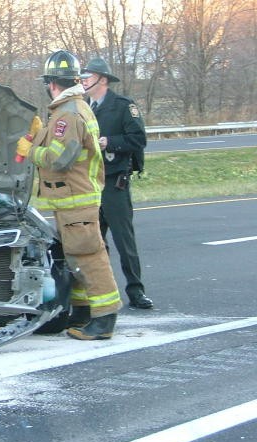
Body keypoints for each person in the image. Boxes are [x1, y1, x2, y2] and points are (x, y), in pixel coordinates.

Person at [16, 50, 122, 340]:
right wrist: (39, 134)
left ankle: (104, 319)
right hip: (71, 201)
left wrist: (31, 151)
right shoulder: (69, 110)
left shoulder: (68, 114)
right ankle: (83, 311)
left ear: (51, 84)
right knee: (76, 256)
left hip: (78, 200)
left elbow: (60, 158)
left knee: (89, 257)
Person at [81, 58, 153, 309]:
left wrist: (109, 142)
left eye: (87, 78)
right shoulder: (83, 107)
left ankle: (136, 291)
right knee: (93, 243)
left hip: (114, 183)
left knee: (124, 241)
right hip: (90, 185)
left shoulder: (123, 106)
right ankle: (98, 292)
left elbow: (138, 139)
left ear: (102, 79)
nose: (83, 82)